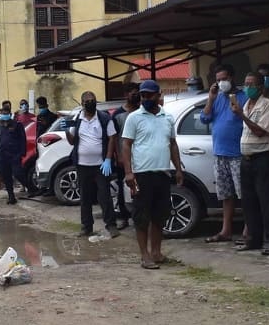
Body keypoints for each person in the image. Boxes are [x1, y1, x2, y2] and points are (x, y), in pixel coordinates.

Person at [121, 79, 184, 269]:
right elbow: (126, 144)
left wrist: (178, 169)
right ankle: (144, 255)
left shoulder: (167, 117)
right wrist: (128, 172)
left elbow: (172, 144)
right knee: (141, 217)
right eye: (143, 95)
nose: (145, 98)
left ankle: (156, 252)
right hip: (141, 174)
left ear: (158, 95)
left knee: (160, 216)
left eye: (149, 95)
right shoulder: (134, 117)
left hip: (162, 173)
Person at [233, 71, 269, 255]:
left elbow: (261, 132)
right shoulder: (246, 104)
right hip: (246, 159)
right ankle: (254, 238)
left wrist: (241, 116)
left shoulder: (267, 105)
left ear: (260, 87)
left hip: (262, 158)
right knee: (249, 202)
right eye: (246, 84)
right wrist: (241, 113)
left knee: (266, 201)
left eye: (251, 84)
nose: (248, 87)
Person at [198, 64, 245, 243]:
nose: (221, 82)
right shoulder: (217, 98)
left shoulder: (243, 97)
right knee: (226, 195)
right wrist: (211, 98)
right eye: (218, 80)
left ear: (232, 78)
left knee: (243, 194)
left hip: (238, 153)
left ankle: (249, 229)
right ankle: (226, 230)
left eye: (224, 79)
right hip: (220, 153)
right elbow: (204, 118)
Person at [65, 90, 119, 237]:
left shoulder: (104, 118)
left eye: (93, 100)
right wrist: (66, 130)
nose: (90, 103)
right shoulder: (78, 119)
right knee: (85, 197)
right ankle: (86, 227)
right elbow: (72, 141)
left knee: (104, 195)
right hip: (82, 165)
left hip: (101, 165)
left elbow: (112, 139)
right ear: (82, 104)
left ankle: (111, 225)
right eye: (87, 101)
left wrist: (108, 159)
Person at [108, 84, 140, 230]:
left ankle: (139, 216)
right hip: (123, 157)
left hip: (140, 157)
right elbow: (114, 138)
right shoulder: (117, 115)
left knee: (140, 188)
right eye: (133, 93)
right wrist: (117, 155)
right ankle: (124, 217)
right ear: (126, 94)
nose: (136, 96)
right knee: (123, 188)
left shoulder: (141, 111)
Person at [0, 106, 26, 205]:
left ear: (9, 114)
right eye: (2, 114)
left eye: (5, 113)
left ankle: (31, 187)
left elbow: (23, 139)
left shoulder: (17, 125)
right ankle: (11, 197)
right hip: (4, 156)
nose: (4, 115)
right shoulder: (1, 126)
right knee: (6, 176)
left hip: (15, 154)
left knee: (17, 173)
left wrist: (22, 153)